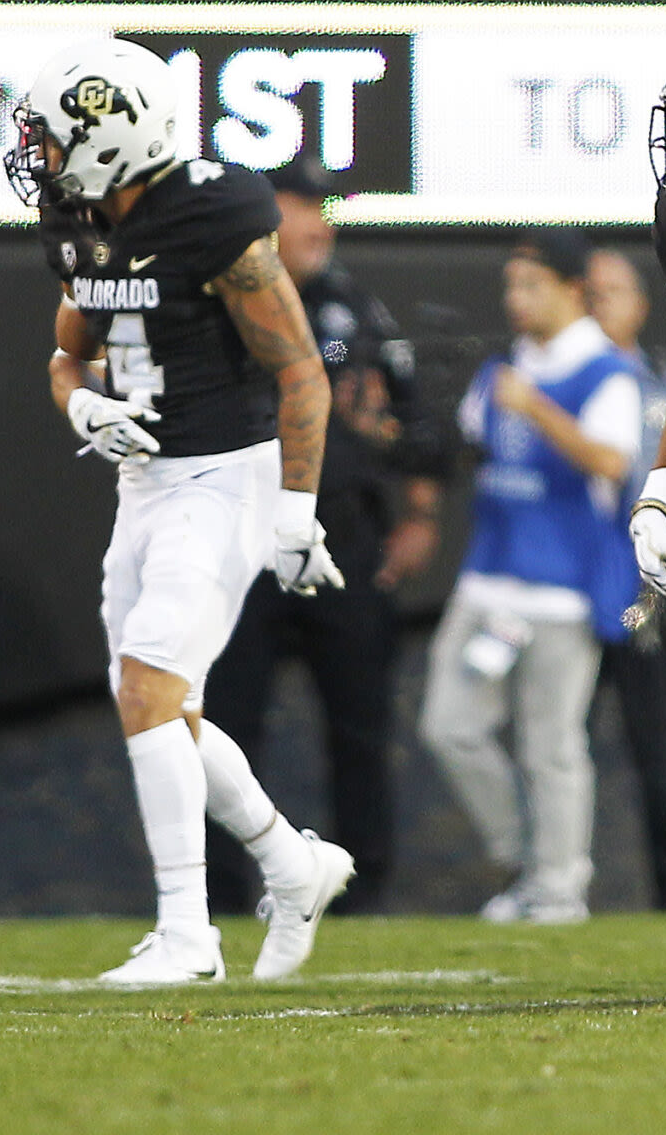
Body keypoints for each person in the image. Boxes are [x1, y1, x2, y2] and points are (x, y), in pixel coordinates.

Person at [7, 38, 351, 983]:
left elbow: (299, 371)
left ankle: (188, 935)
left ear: (112, 138)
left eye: (52, 136)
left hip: (226, 473)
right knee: (158, 706)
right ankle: (292, 861)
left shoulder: (211, 214)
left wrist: (294, 510)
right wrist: (82, 404)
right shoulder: (79, 217)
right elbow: (66, 355)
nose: (38, 154)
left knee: (153, 686)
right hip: (147, 485)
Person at [202, 157, 444, 917]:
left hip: (339, 534)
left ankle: (363, 887)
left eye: (321, 208)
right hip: (240, 535)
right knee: (224, 721)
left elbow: (422, 431)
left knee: (361, 719)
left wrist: (420, 513)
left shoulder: (355, 311)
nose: (319, 225)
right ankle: (219, 891)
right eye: (300, 208)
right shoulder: (212, 303)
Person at [420, 231, 641, 925]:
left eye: (532, 286)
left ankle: (558, 888)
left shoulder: (606, 372)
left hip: (562, 588)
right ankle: (528, 856)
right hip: (489, 578)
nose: (517, 300)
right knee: (448, 725)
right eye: (512, 286)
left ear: (572, 289)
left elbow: (611, 462)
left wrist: (537, 408)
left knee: (551, 744)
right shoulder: (503, 367)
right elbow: (470, 448)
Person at [584, 244, 666, 912]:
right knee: (548, 747)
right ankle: (548, 889)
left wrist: (655, 550)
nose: (594, 304)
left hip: (646, 593)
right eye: (586, 291)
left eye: (609, 291)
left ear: (641, 306)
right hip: (566, 586)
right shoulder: (549, 383)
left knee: (664, 754)